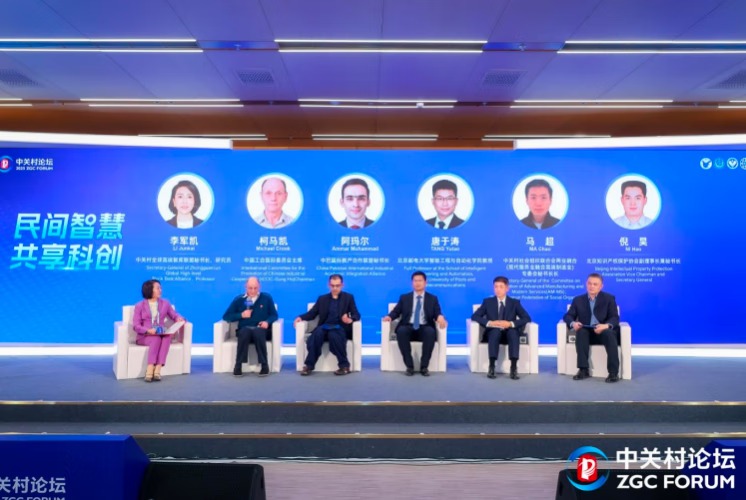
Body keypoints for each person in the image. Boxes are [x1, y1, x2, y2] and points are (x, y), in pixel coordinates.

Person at [294, 274, 360, 376]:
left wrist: (350, 319)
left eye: (337, 285)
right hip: (324, 327)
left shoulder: (348, 298)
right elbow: (312, 313)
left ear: (342, 285)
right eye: (332, 285)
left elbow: (356, 314)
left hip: (339, 327)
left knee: (334, 335)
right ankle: (308, 366)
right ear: (329, 285)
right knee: (317, 334)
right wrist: (300, 317)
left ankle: (344, 366)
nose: (335, 288)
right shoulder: (322, 299)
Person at [383, 271, 447, 376]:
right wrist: (389, 317)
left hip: (424, 327)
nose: (417, 283)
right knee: (401, 331)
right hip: (408, 326)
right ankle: (409, 366)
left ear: (425, 282)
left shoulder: (432, 298)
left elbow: (437, 312)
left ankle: (424, 367)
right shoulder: (404, 298)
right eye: (415, 281)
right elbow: (396, 311)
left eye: (420, 281)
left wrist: (440, 316)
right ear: (412, 283)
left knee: (430, 332)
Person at [563, 273, 621, 383]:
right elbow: (568, 316)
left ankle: (613, 373)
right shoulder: (578, 300)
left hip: (603, 330)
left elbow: (614, 317)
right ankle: (583, 369)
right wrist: (573, 323)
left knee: (609, 334)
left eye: (595, 284)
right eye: (589, 283)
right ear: (586, 284)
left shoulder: (609, 298)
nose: (591, 286)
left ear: (601, 286)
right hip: (587, 331)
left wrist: (606, 325)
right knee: (581, 332)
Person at [471, 276, 531, 380]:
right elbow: (475, 316)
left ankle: (513, 368)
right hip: (493, 334)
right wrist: (490, 323)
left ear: (507, 288)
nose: (498, 289)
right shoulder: (488, 302)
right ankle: (492, 367)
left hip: (509, 334)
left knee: (513, 332)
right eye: (496, 287)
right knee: (495, 332)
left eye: (501, 287)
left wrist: (510, 324)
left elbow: (526, 318)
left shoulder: (514, 303)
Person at [132, 279, 187, 382]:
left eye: (160, 288)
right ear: (150, 290)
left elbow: (174, 315)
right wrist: (148, 330)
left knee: (167, 337)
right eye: (157, 288)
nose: (160, 290)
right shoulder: (139, 306)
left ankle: (158, 368)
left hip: (160, 333)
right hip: (144, 336)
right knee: (156, 339)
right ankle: (150, 368)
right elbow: (136, 326)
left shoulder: (165, 303)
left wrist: (179, 318)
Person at [222, 277, 278, 377]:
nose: (253, 291)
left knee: (258, 331)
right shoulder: (239, 299)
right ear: (245, 287)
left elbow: (274, 315)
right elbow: (226, 316)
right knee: (245, 331)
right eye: (250, 288)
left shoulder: (266, 298)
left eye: (255, 288)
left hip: (261, 330)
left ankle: (264, 365)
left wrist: (267, 322)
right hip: (245, 330)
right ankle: (238, 365)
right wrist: (241, 315)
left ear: (259, 287)